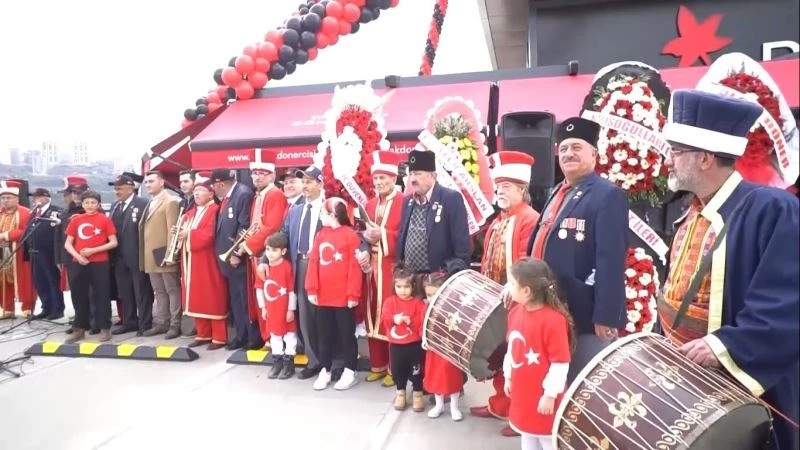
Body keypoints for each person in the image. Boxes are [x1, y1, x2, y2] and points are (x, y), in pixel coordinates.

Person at [658, 89, 799, 450]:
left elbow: (787, 304)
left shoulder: (772, 208)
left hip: (744, 392)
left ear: (704, 158)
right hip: (693, 386)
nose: (667, 162)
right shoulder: (692, 212)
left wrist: (725, 346)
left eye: (675, 152)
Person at [526, 117, 628, 383]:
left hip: (582, 312)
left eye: (577, 147)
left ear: (594, 154)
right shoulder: (557, 191)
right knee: (553, 382)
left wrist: (606, 315)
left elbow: (610, 258)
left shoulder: (607, 194)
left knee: (583, 384)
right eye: (564, 147)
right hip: (549, 308)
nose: (568, 153)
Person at [472, 150, 541, 436]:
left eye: (507, 187)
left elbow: (527, 260)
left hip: (518, 302)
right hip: (495, 302)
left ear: (522, 189)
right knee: (499, 356)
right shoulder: (498, 220)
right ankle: (499, 404)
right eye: (499, 187)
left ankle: (518, 414)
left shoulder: (529, 218)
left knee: (518, 360)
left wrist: (512, 287)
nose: (501, 192)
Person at [504, 258, 573, 450]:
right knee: (527, 433)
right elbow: (512, 349)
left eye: (511, 283)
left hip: (542, 394)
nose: (508, 288)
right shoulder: (515, 313)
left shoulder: (554, 321)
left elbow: (560, 362)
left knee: (547, 438)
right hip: (523, 391)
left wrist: (550, 395)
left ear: (526, 290)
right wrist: (508, 376)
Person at [271, 166, 324, 380]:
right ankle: (315, 361)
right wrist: (267, 259)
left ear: (321, 184)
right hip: (301, 265)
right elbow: (282, 235)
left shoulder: (329, 207)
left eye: (310, 182)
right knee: (306, 317)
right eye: (304, 182)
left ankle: (335, 361)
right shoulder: (296, 211)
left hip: (324, 266)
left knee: (326, 315)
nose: (305, 186)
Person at [305, 197, 364, 391]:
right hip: (323, 296)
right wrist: (312, 288)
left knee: (346, 335)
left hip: (343, 297)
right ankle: (326, 369)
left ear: (332, 215)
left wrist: (352, 294)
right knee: (324, 334)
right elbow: (314, 261)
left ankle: (349, 370)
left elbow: (354, 267)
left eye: (323, 213)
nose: (321, 216)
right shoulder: (321, 234)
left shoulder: (350, 235)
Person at [361, 151, 405, 387]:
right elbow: (363, 235)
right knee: (372, 315)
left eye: (383, 179)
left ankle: (394, 368)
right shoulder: (369, 203)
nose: (379, 183)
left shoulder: (404, 201)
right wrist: (365, 247)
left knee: (390, 314)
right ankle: (377, 364)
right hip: (372, 266)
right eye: (376, 179)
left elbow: (408, 236)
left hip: (391, 265)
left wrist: (384, 236)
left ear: (393, 178)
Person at [396, 149, 471, 275]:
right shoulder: (407, 202)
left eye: (418, 174)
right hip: (409, 281)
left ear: (433, 176)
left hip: (437, 280)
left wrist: (444, 274)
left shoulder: (450, 198)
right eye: (411, 174)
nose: (413, 179)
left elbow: (462, 250)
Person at [242, 149, 288, 345]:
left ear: (272, 175)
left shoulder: (275, 194)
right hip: (257, 253)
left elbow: (272, 226)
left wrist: (248, 244)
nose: (258, 177)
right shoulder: (259, 195)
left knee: (270, 296)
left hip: (267, 254)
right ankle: (267, 336)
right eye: (255, 173)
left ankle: (273, 336)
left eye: (263, 173)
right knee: (260, 296)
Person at [212, 169, 261, 350]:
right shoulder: (228, 197)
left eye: (215, 186)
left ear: (221, 184)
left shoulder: (242, 194)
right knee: (236, 300)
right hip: (228, 260)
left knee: (244, 299)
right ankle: (241, 335)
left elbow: (244, 225)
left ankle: (252, 337)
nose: (214, 190)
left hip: (237, 258)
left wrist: (236, 253)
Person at [178, 178, 228, 350]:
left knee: (212, 296)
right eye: (195, 191)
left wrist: (188, 234)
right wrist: (177, 233)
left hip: (208, 260)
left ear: (211, 193)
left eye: (200, 191)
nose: (196, 194)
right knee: (196, 296)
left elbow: (209, 235)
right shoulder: (190, 212)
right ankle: (203, 333)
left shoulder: (215, 210)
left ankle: (219, 337)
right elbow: (184, 232)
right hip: (191, 260)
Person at [63, 190, 118, 343]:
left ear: (98, 204)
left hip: (100, 262)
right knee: (79, 296)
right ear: (82, 203)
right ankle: (79, 328)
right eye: (87, 202)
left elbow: (113, 242)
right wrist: (79, 256)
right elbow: (68, 243)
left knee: (102, 295)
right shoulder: (76, 220)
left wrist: (93, 250)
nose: (90, 205)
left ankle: (104, 328)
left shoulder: (105, 220)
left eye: (93, 202)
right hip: (79, 263)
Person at [139, 170, 183, 339]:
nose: (148, 184)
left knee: (172, 289)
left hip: (163, 252)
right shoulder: (151, 202)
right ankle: (162, 321)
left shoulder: (170, 202)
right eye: (147, 182)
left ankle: (175, 323)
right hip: (150, 254)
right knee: (159, 290)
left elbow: (173, 229)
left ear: (162, 182)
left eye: (151, 181)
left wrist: (170, 253)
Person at [108, 175, 152, 336]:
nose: (116, 192)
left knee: (142, 291)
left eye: (119, 188)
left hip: (137, 255)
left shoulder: (143, 204)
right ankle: (130, 321)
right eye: (115, 188)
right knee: (125, 292)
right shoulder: (114, 206)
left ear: (130, 188)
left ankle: (145, 323)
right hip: (119, 257)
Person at [381, 264, 427, 412]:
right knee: (398, 369)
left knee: (416, 370)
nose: (402, 290)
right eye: (399, 286)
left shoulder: (418, 303)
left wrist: (410, 322)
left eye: (406, 287)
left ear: (413, 286)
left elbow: (422, 323)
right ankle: (400, 391)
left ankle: (417, 393)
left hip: (414, 345)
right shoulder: (390, 302)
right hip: (396, 345)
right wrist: (394, 318)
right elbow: (384, 320)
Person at [422, 272, 465, 421]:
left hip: (450, 351)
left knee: (453, 379)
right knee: (435, 378)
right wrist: (424, 340)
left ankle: (454, 406)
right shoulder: (426, 308)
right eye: (428, 295)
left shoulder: (453, 308)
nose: (431, 298)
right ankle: (439, 405)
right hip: (434, 351)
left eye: (435, 294)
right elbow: (423, 326)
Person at [258, 232, 297, 380]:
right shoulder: (263, 268)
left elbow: (292, 291)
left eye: (274, 250)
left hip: (285, 310)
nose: (270, 253)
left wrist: (290, 310)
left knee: (289, 336)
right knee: (275, 336)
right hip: (271, 310)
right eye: (268, 249)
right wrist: (263, 307)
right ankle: (277, 363)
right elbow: (259, 289)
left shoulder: (287, 267)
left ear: (283, 251)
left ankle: (289, 365)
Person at [55, 176, 90, 333]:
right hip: (70, 257)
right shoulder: (67, 210)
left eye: (77, 191)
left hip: (86, 257)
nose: (74, 195)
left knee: (90, 292)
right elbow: (59, 236)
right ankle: (79, 321)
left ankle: (91, 320)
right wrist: (59, 258)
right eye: (72, 192)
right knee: (76, 292)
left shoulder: (89, 209)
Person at [24, 188, 65, 319]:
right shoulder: (35, 212)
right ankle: (46, 307)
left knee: (52, 279)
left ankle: (57, 308)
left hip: (49, 252)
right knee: (40, 281)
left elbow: (57, 232)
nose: (34, 199)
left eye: (37, 197)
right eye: (33, 197)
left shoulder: (55, 211)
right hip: (35, 251)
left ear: (46, 197)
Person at [0, 180, 35, 319]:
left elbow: (27, 231)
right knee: (3, 278)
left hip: (19, 250)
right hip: (2, 249)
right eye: (3, 198)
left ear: (16, 199)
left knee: (23, 278)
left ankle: (27, 307)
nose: (5, 201)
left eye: (8, 198)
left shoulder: (25, 212)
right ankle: (7, 308)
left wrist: (6, 235)